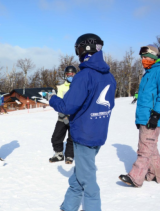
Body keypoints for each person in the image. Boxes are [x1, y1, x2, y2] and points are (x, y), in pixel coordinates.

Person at [49, 33, 116, 211]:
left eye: (78, 49)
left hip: (84, 136)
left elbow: (67, 106)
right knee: (78, 177)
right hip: (97, 134)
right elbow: (110, 104)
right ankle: (68, 207)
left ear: (86, 49)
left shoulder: (84, 76)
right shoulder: (109, 76)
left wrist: (52, 99)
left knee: (89, 183)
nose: (77, 53)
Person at [119, 44, 160, 187]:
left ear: (154, 56)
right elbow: (144, 98)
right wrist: (139, 118)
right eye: (142, 57)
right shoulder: (148, 72)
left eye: (146, 57)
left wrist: (155, 115)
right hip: (144, 116)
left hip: (152, 116)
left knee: (144, 149)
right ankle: (157, 175)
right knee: (150, 147)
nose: (143, 60)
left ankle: (135, 177)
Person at [49, 66, 77, 164]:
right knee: (56, 136)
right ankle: (59, 154)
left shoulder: (78, 87)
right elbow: (59, 103)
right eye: (68, 74)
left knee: (72, 137)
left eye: (72, 74)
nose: (70, 76)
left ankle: (69, 156)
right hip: (62, 116)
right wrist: (64, 116)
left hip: (74, 117)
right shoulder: (61, 88)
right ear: (65, 75)